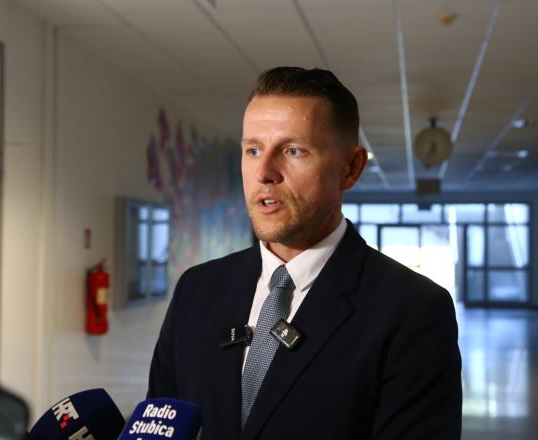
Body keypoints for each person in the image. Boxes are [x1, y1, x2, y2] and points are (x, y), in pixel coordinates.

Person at [147, 67, 462, 439]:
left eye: (293, 151)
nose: (264, 172)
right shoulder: (197, 289)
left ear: (350, 168)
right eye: (253, 150)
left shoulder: (413, 310)